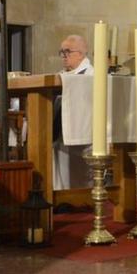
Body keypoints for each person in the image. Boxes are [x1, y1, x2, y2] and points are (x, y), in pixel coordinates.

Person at [53, 34, 94, 192]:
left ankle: (80, 199)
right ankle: (61, 197)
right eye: (62, 52)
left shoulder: (91, 75)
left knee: (79, 174)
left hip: (82, 134)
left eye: (67, 52)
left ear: (81, 53)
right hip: (60, 133)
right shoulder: (63, 75)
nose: (63, 56)